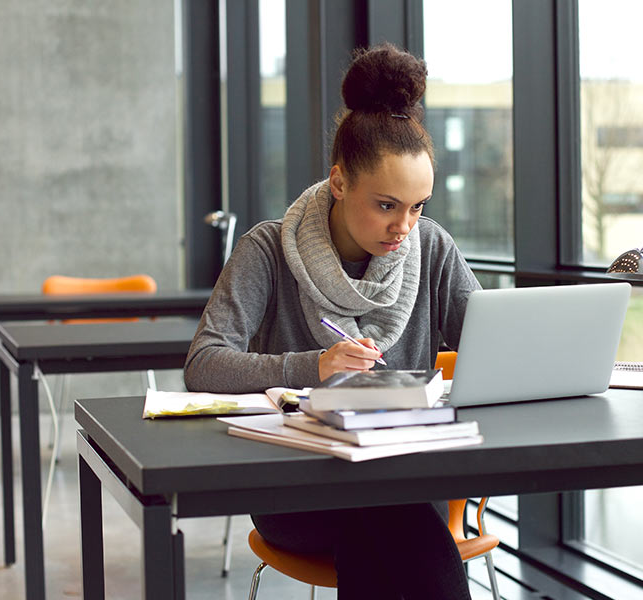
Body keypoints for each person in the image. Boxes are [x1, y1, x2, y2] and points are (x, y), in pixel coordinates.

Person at [184, 42, 481, 599]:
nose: (404, 228)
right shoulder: (267, 250)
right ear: (340, 182)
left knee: (389, 522)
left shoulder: (432, 248)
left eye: (419, 207)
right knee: (397, 528)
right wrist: (313, 366)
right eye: (387, 204)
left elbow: (492, 348)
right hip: (297, 489)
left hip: (403, 477)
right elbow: (203, 365)